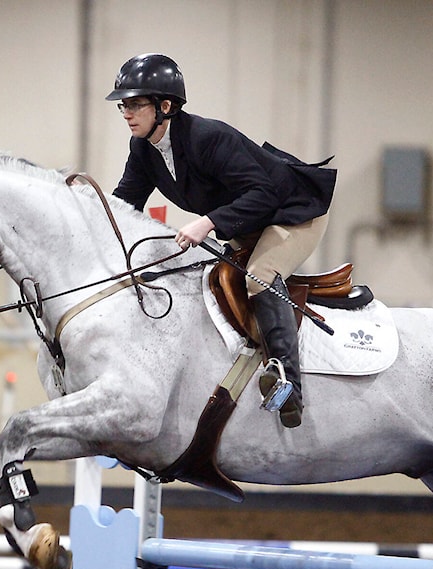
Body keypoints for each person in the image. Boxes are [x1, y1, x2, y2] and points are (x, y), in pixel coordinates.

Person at [106, 53, 337, 428]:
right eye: (124, 106)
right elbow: (124, 203)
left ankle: (289, 388)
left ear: (165, 106)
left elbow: (263, 194)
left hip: (292, 212)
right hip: (248, 223)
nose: (127, 113)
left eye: (135, 104)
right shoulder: (143, 149)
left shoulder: (207, 138)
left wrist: (208, 223)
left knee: (258, 274)